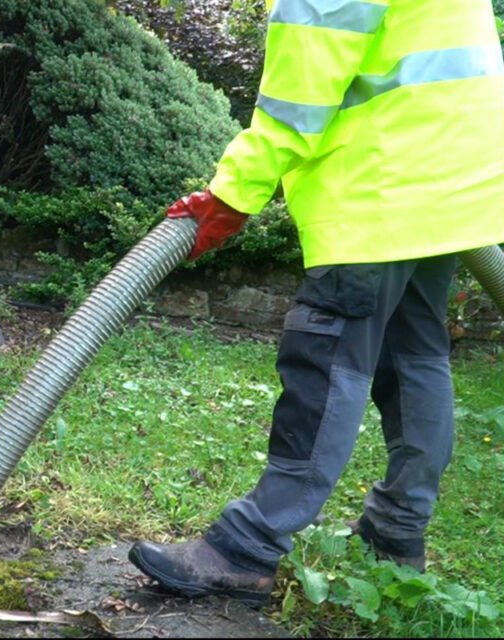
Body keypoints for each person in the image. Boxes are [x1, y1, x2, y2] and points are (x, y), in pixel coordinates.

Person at [128, 0, 504, 607]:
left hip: (382, 179)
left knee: (324, 356)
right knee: (415, 358)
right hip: (455, 181)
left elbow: (301, 92)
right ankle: (396, 536)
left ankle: (247, 548)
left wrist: (234, 192)